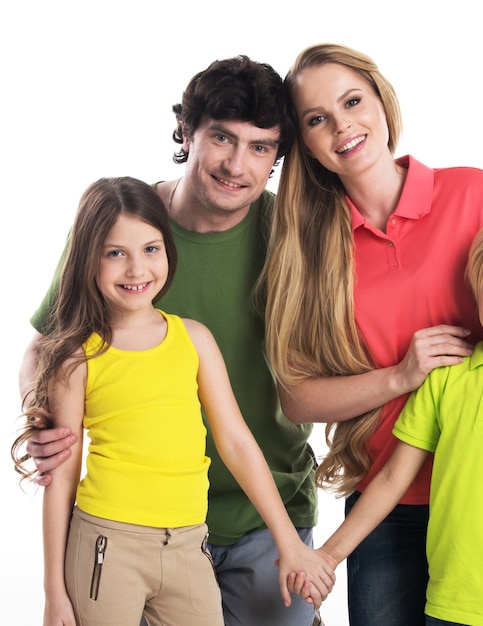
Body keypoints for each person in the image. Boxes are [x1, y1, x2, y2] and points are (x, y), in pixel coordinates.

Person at [260, 43, 483, 626]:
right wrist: (398, 376)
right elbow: (296, 398)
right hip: (385, 498)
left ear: (382, 101)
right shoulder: (308, 248)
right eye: (318, 119)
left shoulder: (472, 194)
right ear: (305, 141)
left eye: (353, 101)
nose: (343, 125)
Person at [18, 57, 329, 626]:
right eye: (222, 138)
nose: (237, 165)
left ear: (278, 158)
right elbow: (47, 348)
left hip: (266, 511)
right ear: (188, 133)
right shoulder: (121, 226)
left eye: (261, 148)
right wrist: (44, 422)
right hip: (128, 519)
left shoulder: (293, 236)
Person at [293, 210, 483, 625]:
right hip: (446, 600)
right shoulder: (446, 376)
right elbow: (391, 478)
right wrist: (328, 555)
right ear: (475, 291)